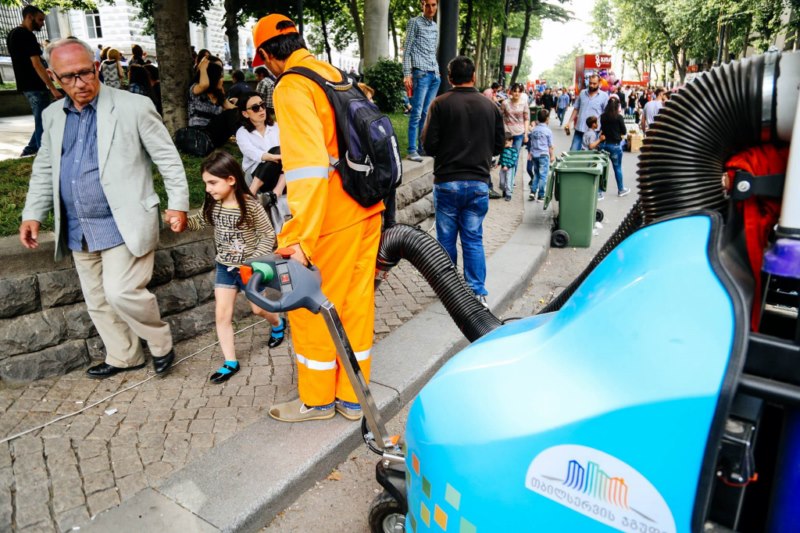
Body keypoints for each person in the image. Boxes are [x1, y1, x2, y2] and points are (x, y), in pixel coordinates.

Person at [19, 38, 189, 379]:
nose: (80, 82)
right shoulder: (52, 116)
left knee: (120, 291)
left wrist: (178, 204)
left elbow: (167, 158)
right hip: (78, 225)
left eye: (85, 72)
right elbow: (45, 168)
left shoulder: (134, 106)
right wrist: (33, 213)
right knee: (97, 299)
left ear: (97, 68)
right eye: (69, 77)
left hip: (124, 220)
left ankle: (160, 342)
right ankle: (124, 356)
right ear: (53, 77)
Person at [254, 13, 384, 422]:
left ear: (266, 56)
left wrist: (299, 239)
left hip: (332, 218)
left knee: (311, 308)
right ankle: (352, 398)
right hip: (367, 207)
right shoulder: (333, 74)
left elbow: (308, 169)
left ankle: (317, 400)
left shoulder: (292, 86)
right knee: (356, 306)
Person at [186, 151, 285, 384]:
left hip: (249, 269)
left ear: (231, 179)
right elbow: (199, 221)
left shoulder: (250, 205)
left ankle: (278, 323)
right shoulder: (212, 203)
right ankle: (230, 362)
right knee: (222, 314)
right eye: (206, 183)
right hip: (225, 267)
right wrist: (181, 221)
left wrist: (252, 261)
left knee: (258, 309)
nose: (208, 188)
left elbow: (267, 234)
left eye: (212, 182)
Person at [422, 56, 504, 307]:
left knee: (446, 239)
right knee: (473, 238)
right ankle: (477, 291)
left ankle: (449, 289)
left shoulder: (439, 104)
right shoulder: (491, 106)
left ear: (449, 78)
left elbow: (428, 145)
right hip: (478, 182)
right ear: (474, 76)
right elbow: (499, 145)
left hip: (447, 181)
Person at [6, 5, 62, 157]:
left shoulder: (13, 33)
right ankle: (44, 155)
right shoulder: (27, 35)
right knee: (43, 120)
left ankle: (30, 149)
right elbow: (36, 64)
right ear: (29, 17)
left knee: (41, 119)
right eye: (40, 20)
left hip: (26, 84)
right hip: (34, 85)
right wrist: (53, 88)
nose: (42, 23)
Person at [402, 0, 440, 162]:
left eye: (433, 5)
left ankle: (421, 147)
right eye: (427, 5)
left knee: (426, 113)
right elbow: (407, 50)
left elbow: (432, 51)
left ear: (437, 5)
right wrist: (407, 74)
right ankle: (412, 150)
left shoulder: (435, 26)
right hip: (421, 73)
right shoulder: (414, 22)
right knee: (416, 113)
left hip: (434, 75)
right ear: (422, 5)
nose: (430, 8)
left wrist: (437, 71)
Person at [235, 91, 285, 198]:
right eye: (255, 108)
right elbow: (251, 152)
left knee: (283, 154)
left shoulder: (277, 127)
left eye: (262, 105)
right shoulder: (242, 132)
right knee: (277, 151)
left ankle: (275, 193)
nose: (261, 109)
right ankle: (252, 193)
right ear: (245, 114)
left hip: (280, 174)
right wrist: (273, 156)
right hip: (255, 173)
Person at [189, 55, 240, 148]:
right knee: (231, 113)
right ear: (212, 78)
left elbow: (232, 108)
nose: (222, 80)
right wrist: (203, 68)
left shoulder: (218, 95)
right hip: (199, 136)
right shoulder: (195, 89)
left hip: (214, 137)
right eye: (220, 77)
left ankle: (246, 138)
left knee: (236, 112)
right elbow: (204, 84)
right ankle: (243, 139)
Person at [501, 82, 530, 195]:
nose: (517, 93)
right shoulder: (505, 103)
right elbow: (500, 116)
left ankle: (511, 179)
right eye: (515, 91)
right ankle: (504, 178)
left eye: (519, 91)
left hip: (519, 134)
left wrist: (526, 134)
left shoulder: (524, 104)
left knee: (515, 157)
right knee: (505, 156)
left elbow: (526, 119)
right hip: (507, 134)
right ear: (511, 91)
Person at [599, 95, 630, 197]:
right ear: (617, 106)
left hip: (604, 145)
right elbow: (624, 131)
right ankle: (621, 189)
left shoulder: (603, 117)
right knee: (617, 168)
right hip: (615, 146)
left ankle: (599, 192)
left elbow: (602, 129)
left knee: (601, 168)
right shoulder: (619, 117)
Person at [570, 74, 609, 151]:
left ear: (599, 83)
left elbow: (606, 114)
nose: (591, 85)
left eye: (594, 83)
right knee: (573, 151)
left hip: (594, 132)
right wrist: (569, 122)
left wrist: (603, 130)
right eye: (590, 83)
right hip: (580, 129)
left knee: (590, 154)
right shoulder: (582, 93)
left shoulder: (604, 96)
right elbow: (576, 108)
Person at [527, 109, 555, 202]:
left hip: (535, 155)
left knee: (536, 174)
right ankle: (541, 195)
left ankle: (532, 192)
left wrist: (530, 153)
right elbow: (550, 146)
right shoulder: (548, 131)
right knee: (543, 176)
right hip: (543, 155)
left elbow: (532, 143)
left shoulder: (534, 130)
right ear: (547, 119)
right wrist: (552, 156)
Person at [581, 115, 606, 199]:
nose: (597, 124)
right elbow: (591, 146)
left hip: (584, 154)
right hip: (589, 156)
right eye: (596, 123)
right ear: (593, 124)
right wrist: (600, 140)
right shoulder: (592, 134)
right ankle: (597, 192)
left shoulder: (586, 132)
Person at [498, 134, 517, 201]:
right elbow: (501, 157)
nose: (504, 145)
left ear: (511, 141)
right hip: (502, 167)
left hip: (510, 168)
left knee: (509, 181)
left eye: (506, 143)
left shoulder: (514, 150)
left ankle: (508, 194)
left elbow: (514, 159)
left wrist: (508, 166)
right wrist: (498, 163)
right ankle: (504, 190)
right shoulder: (503, 148)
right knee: (502, 182)